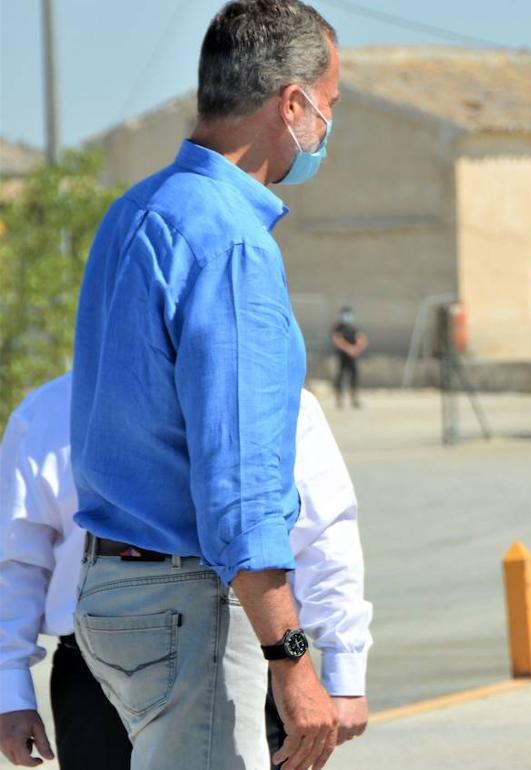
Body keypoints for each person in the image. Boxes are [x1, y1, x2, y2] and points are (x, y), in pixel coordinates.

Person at [68, 2, 341, 767]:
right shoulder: (229, 245)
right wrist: (291, 657)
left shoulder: (136, 212)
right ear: (293, 104)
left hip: (114, 589)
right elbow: (240, 484)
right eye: (330, 105)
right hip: (186, 600)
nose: (328, 128)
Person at [0, 375, 372, 769]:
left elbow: (325, 537)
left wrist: (344, 667)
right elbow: (15, 562)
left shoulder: (268, 393)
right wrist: (9, 690)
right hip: (96, 679)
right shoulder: (50, 409)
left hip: (250, 653)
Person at [331, 307, 368, 409]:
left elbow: (361, 338)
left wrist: (356, 349)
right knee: (340, 377)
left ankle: (354, 398)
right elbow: (337, 339)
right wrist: (348, 349)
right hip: (342, 357)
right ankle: (339, 399)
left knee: (354, 377)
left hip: (353, 357)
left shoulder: (354, 328)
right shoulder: (338, 328)